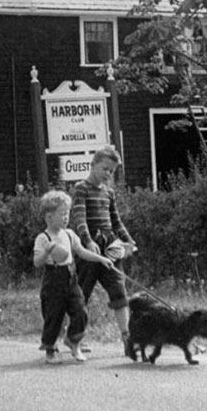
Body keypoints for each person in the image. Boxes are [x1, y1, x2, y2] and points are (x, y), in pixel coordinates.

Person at [69, 145, 138, 358]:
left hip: (110, 246)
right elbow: (79, 218)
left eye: (112, 171)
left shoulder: (109, 192)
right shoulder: (81, 188)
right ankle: (75, 336)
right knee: (82, 295)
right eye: (105, 169)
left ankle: (127, 338)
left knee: (119, 290)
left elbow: (116, 221)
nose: (108, 174)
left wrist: (129, 240)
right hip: (90, 247)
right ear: (93, 165)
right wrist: (88, 241)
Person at [32, 189, 116, 363]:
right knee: (54, 316)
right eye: (62, 214)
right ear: (49, 217)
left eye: (67, 214)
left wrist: (101, 259)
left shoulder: (69, 234)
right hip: (53, 281)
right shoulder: (43, 238)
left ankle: (73, 342)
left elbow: (82, 251)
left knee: (80, 311)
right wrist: (47, 250)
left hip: (71, 279)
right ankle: (50, 351)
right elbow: (37, 262)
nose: (66, 218)